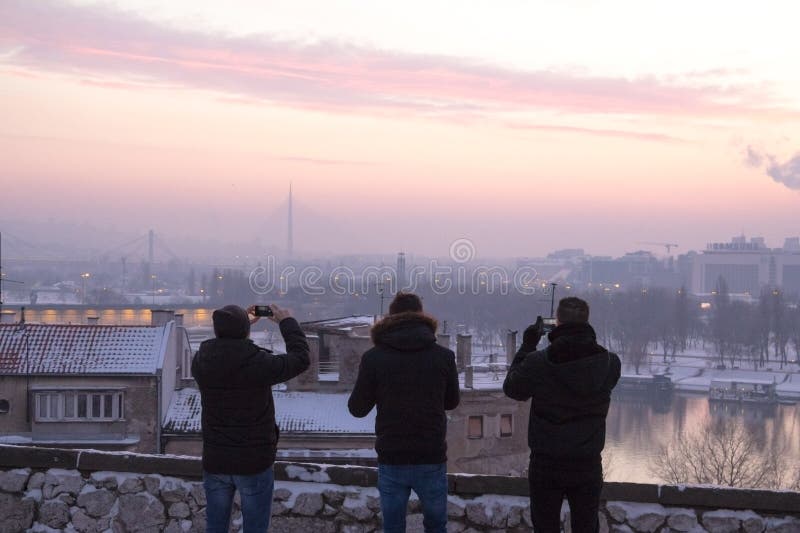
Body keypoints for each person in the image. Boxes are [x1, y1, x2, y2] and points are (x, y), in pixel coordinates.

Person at [503, 297, 620, 533]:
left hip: (547, 463)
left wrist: (527, 346)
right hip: (587, 463)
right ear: (587, 321)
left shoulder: (538, 363)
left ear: (557, 323)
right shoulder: (609, 363)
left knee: (545, 527)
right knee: (586, 527)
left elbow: (512, 388)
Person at [192, 303, 310, 533]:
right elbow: (300, 359)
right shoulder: (259, 363)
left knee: (215, 527)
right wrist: (287, 322)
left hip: (216, 460)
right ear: (245, 330)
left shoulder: (201, 362)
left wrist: (240, 326)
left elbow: (220, 348)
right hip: (254, 461)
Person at [348, 292, 460, 533]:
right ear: (422, 317)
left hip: (392, 456)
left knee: (393, 527)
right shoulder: (443, 357)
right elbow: (451, 402)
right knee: (436, 526)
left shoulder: (373, 358)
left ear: (391, 317)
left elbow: (357, 409)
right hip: (431, 454)